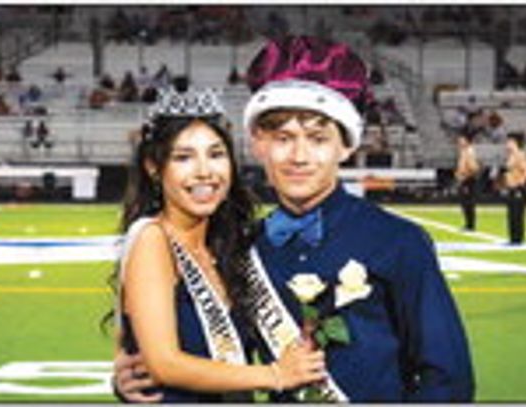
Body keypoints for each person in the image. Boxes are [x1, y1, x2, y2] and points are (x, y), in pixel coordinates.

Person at [113, 35, 474, 402]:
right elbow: (222, 350)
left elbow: (448, 380)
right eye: (283, 138)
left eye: (317, 139)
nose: (299, 156)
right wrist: (134, 379)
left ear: (346, 145)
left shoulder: (398, 241)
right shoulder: (245, 246)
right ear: (258, 143)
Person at [108, 86, 326, 403]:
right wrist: (275, 375)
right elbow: (164, 364)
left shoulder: (231, 246)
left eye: (216, 154)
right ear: (155, 168)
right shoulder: (153, 240)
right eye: (184, 157)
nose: (205, 172)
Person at [503, 132, 526, 244]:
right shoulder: (511, 155)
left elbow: (524, 171)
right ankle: (513, 237)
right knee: (511, 213)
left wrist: (520, 186)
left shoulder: (520, 155)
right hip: (511, 187)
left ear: (515, 142)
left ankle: (517, 238)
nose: (507, 144)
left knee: (517, 213)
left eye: (509, 141)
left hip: (517, 187)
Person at [455, 133, 480, 231]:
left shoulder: (469, 152)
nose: (459, 141)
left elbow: (474, 168)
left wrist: (465, 176)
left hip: (468, 180)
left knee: (468, 202)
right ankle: (468, 223)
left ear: (467, 140)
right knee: (465, 202)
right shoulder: (464, 151)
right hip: (465, 179)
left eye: (461, 139)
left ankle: (470, 224)